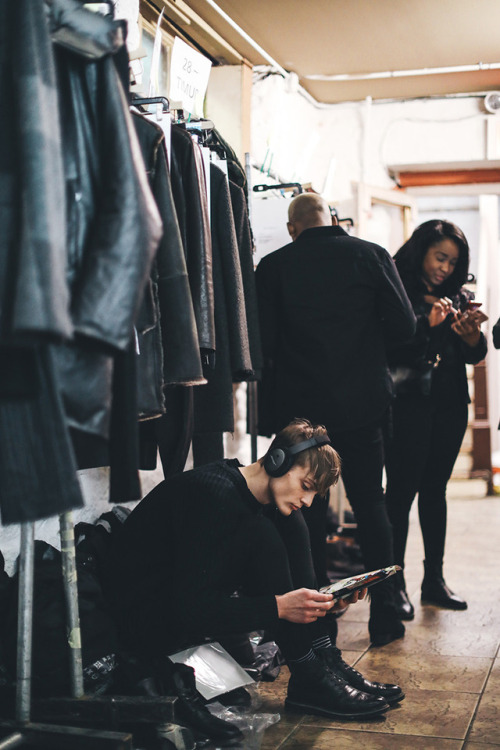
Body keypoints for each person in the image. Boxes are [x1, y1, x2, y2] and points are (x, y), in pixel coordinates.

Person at [103, 419, 404, 740]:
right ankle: (308, 672)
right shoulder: (216, 497)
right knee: (267, 534)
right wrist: (278, 608)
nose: (308, 500)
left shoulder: (245, 496)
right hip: (138, 621)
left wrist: (320, 602)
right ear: (278, 461)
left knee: (291, 521)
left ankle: (320, 658)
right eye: (306, 486)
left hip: (177, 606)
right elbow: (191, 609)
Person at [255, 193, 416, 647]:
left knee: (308, 510)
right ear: (333, 220)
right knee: (370, 503)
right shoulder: (371, 256)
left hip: (302, 411)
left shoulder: (273, 266)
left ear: (292, 228)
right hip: (363, 402)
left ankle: (317, 620)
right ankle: (386, 615)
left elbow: (262, 343)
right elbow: (405, 328)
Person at [385, 220, 487, 619]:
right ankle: (394, 586)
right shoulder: (397, 292)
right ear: (421, 251)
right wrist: (425, 326)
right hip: (406, 404)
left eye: (453, 261)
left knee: (435, 492)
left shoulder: (458, 297)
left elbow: (474, 356)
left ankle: (435, 582)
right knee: (400, 495)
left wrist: (468, 337)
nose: (445, 268)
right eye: (439, 257)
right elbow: (386, 347)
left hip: (448, 405)